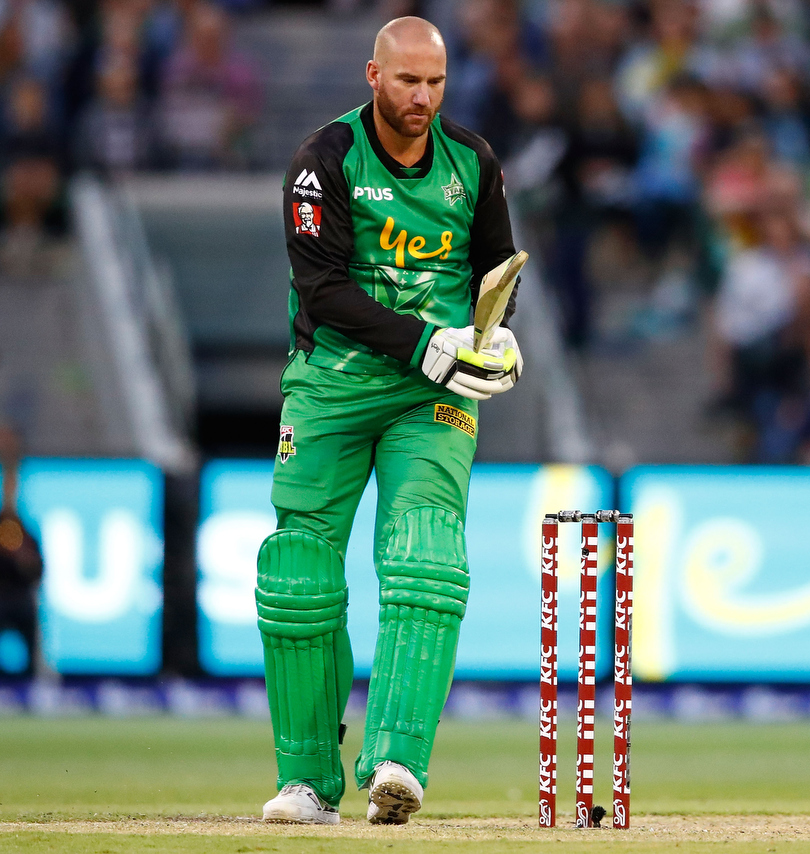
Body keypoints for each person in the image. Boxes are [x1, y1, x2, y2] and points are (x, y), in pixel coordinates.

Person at [258, 16, 522, 827]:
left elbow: (497, 273)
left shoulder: (471, 161)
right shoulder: (323, 162)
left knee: (426, 553)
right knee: (298, 572)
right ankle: (307, 783)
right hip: (332, 386)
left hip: (428, 395)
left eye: (436, 83)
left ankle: (397, 762)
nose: (423, 98)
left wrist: (498, 338)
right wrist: (426, 344)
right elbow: (325, 290)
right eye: (408, 82)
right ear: (374, 76)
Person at [0, 426, 42, 678]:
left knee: (27, 618)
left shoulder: (26, 532)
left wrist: (24, 560)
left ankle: (33, 679)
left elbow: (37, 572)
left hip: (19, 600)